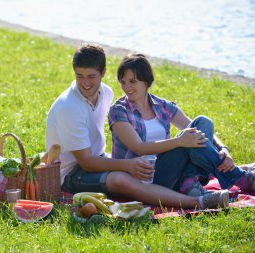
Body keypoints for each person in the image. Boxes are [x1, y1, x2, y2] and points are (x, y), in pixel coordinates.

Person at [45, 43, 229, 209]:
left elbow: (191, 127)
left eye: (91, 76)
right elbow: (86, 162)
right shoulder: (69, 107)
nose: (85, 83)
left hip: (99, 159)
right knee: (120, 179)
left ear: (103, 73)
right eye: (79, 76)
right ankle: (199, 201)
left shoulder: (105, 93)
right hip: (71, 174)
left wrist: (223, 148)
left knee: (197, 131)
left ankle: (227, 175)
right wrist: (127, 165)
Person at [108, 53, 254, 196]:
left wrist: (223, 149)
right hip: (140, 178)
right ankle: (237, 177)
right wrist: (179, 141)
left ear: (146, 81)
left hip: (169, 169)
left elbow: (198, 128)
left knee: (203, 122)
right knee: (186, 142)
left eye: (132, 81)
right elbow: (139, 148)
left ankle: (189, 181)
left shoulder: (162, 105)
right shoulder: (119, 111)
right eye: (123, 82)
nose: (127, 87)